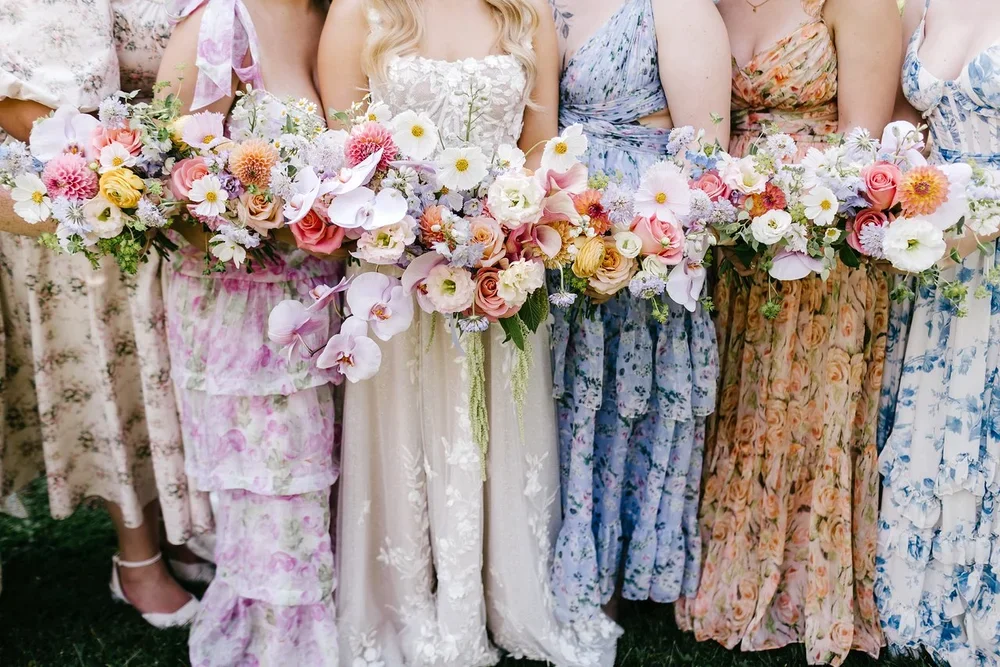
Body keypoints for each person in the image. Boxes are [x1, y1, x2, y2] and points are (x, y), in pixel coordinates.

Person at [319, 0, 621, 664]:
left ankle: (503, 593)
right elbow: (339, 157)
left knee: (496, 427)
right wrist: (410, 229)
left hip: (503, 264)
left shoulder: (524, 11)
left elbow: (542, 151)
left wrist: (514, 229)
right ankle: (411, 598)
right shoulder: (359, 11)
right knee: (410, 423)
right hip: (398, 271)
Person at [679, 0, 902, 664]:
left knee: (805, 410)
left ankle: (806, 584)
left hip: (823, 243)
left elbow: (865, 156)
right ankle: (730, 559)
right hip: (733, 241)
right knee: (741, 405)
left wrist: (805, 215)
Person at [0, 0, 214, 627]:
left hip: (154, 197)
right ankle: (136, 558)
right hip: (65, 207)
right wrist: (126, 165)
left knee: (162, 380)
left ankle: (175, 533)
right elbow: (19, 103)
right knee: (113, 383)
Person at [156, 0, 341, 663]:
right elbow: (165, 178)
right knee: (269, 477)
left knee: (315, 474)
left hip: (316, 296)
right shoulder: (216, 22)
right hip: (239, 310)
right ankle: (278, 640)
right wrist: (241, 217)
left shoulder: (328, 13)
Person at [546, 0, 730, 628]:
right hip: (554, 237)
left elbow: (705, 163)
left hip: (639, 248)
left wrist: (638, 242)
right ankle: (555, 564)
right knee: (564, 402)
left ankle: (612, 574)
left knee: (622, 407)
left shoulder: (675, 9)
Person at [876, 1, 1000, 663]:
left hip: (988, 252)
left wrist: (977, 223)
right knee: (928, 414)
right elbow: (907, 111)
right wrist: (901, 160)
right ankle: (921, 586)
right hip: (932, 253)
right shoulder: (919, 4)